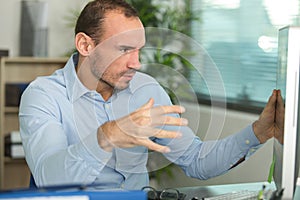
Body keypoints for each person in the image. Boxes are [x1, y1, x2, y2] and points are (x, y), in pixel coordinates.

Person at [19, 0, 284, 190]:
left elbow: (196, 161)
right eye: (124, 49)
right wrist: (107, 135)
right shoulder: (43, 95)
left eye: (138, 50)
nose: (136, 63)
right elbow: (48, 180)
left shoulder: (146, 89)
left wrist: (259, 132)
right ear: (86, 44)